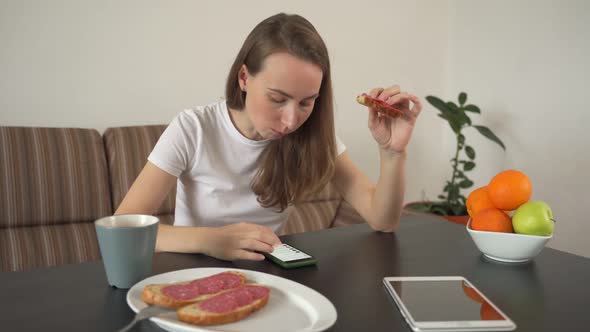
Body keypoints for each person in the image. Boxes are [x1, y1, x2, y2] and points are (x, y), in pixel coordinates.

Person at [115, 13, 422, 261]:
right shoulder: (193, 128)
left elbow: (383, 220)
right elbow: (123, 228)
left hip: (268, 276)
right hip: (192, 271)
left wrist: (392, 152)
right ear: (244, 77)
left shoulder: (315, 135)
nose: (291, 121)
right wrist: (211, 240)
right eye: (277, 99)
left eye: (306, 102)